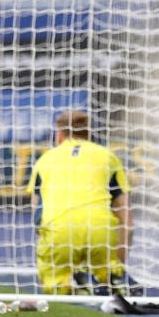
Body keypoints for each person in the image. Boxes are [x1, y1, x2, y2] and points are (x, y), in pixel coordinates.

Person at [26, 110, 141, 296]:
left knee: (58, 291)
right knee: (108, 277)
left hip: (59, 234)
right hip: (100, 233)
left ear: (59, 135)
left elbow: (38, 217)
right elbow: (125, 217)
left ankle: (70, 281)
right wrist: (118, 263)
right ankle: (111, 276)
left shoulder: (44, 161)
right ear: (89, 134)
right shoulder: (108, 157)